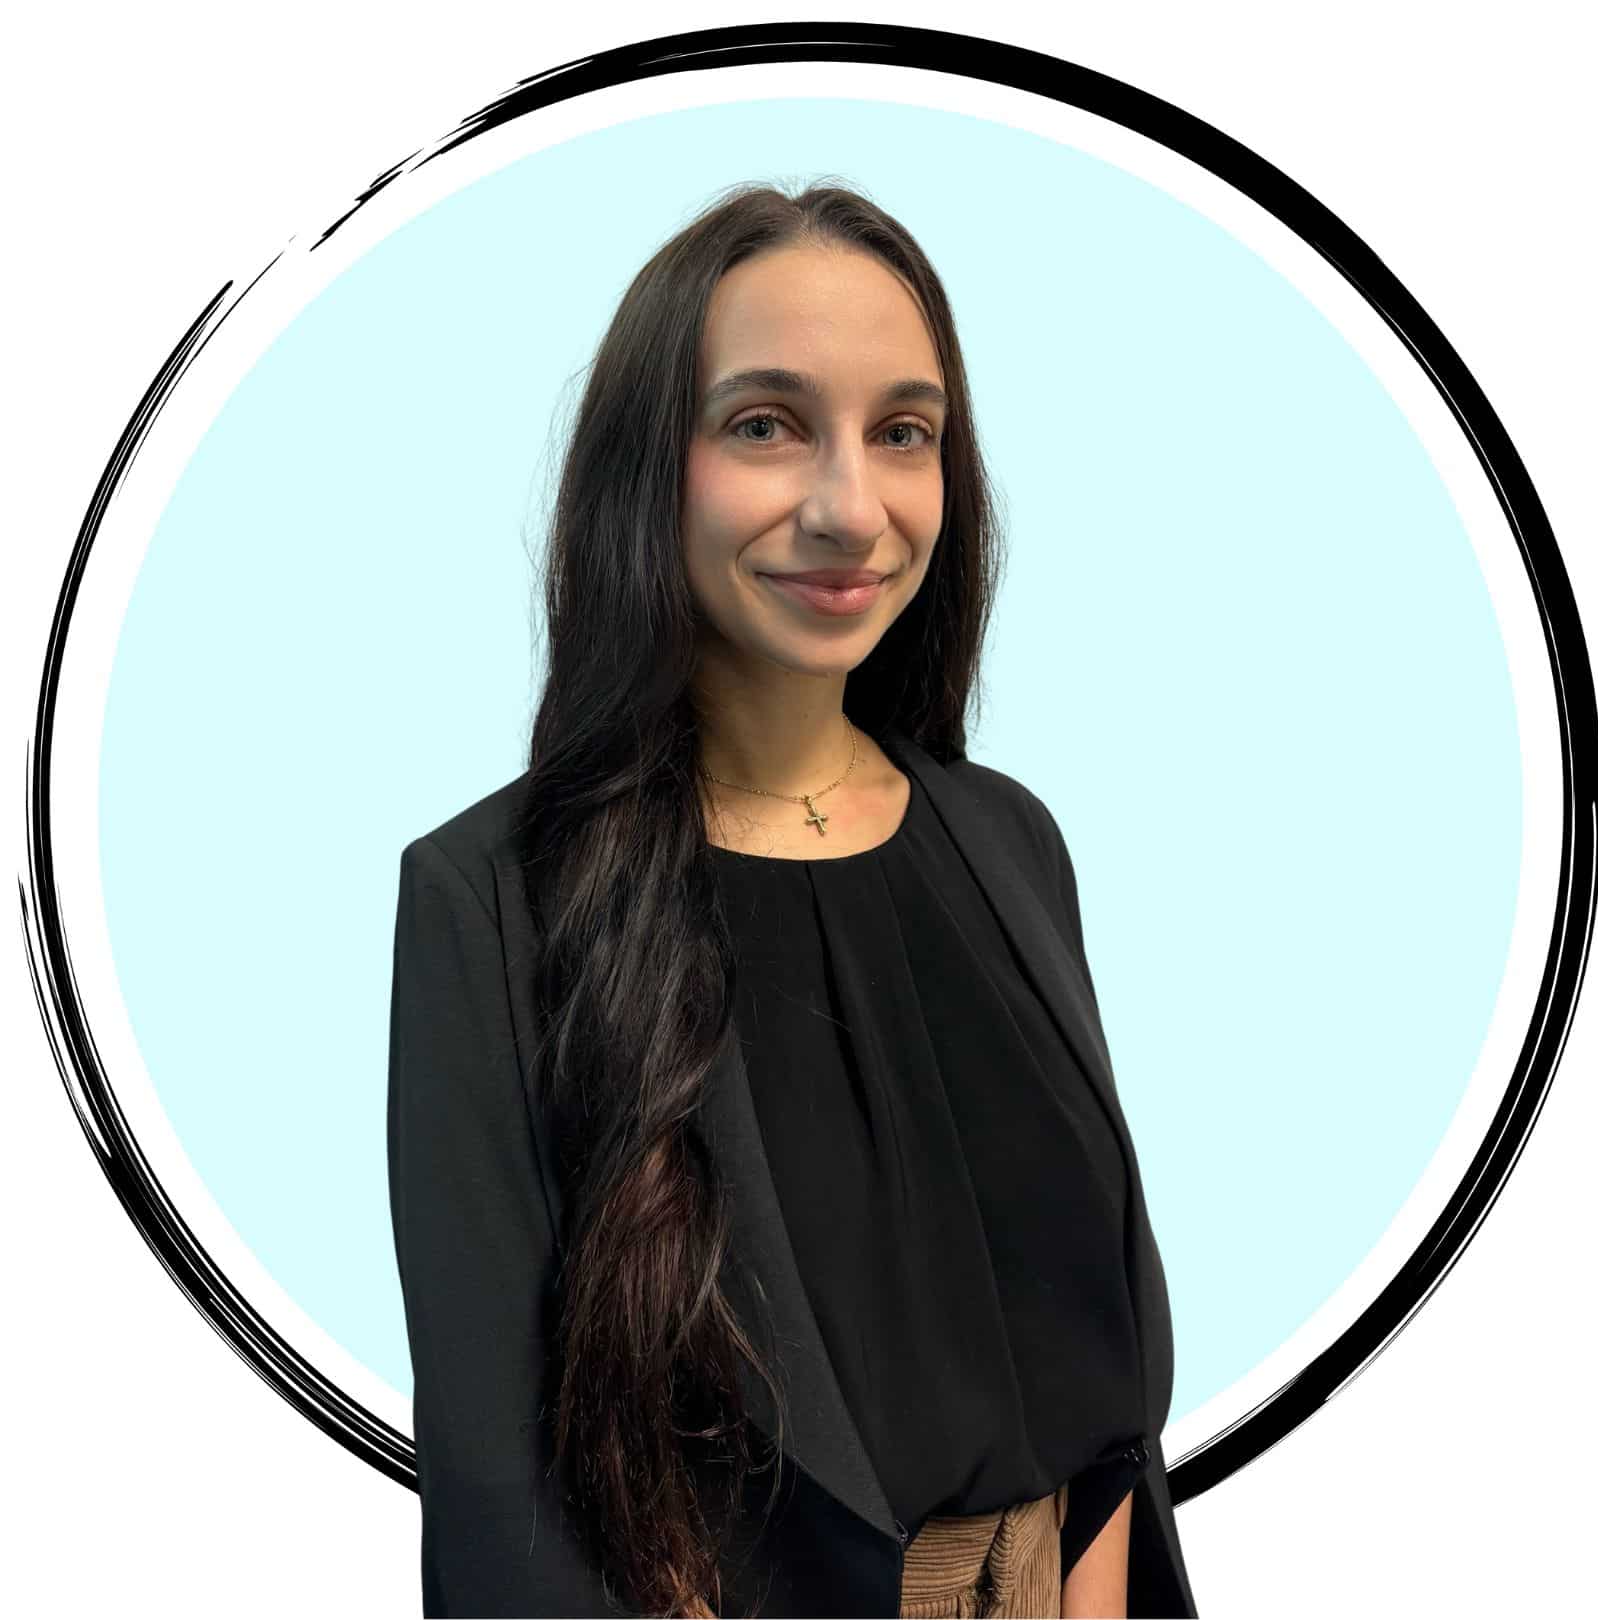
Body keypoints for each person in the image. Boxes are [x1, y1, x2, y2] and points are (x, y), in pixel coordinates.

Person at [386, 178, 1198, 1619]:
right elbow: (501, 1505)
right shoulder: (491, 903)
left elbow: (1099, 1397)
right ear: (651, 466)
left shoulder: (1011, 843)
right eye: (766, 424)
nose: (850, 506)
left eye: (904, 433)